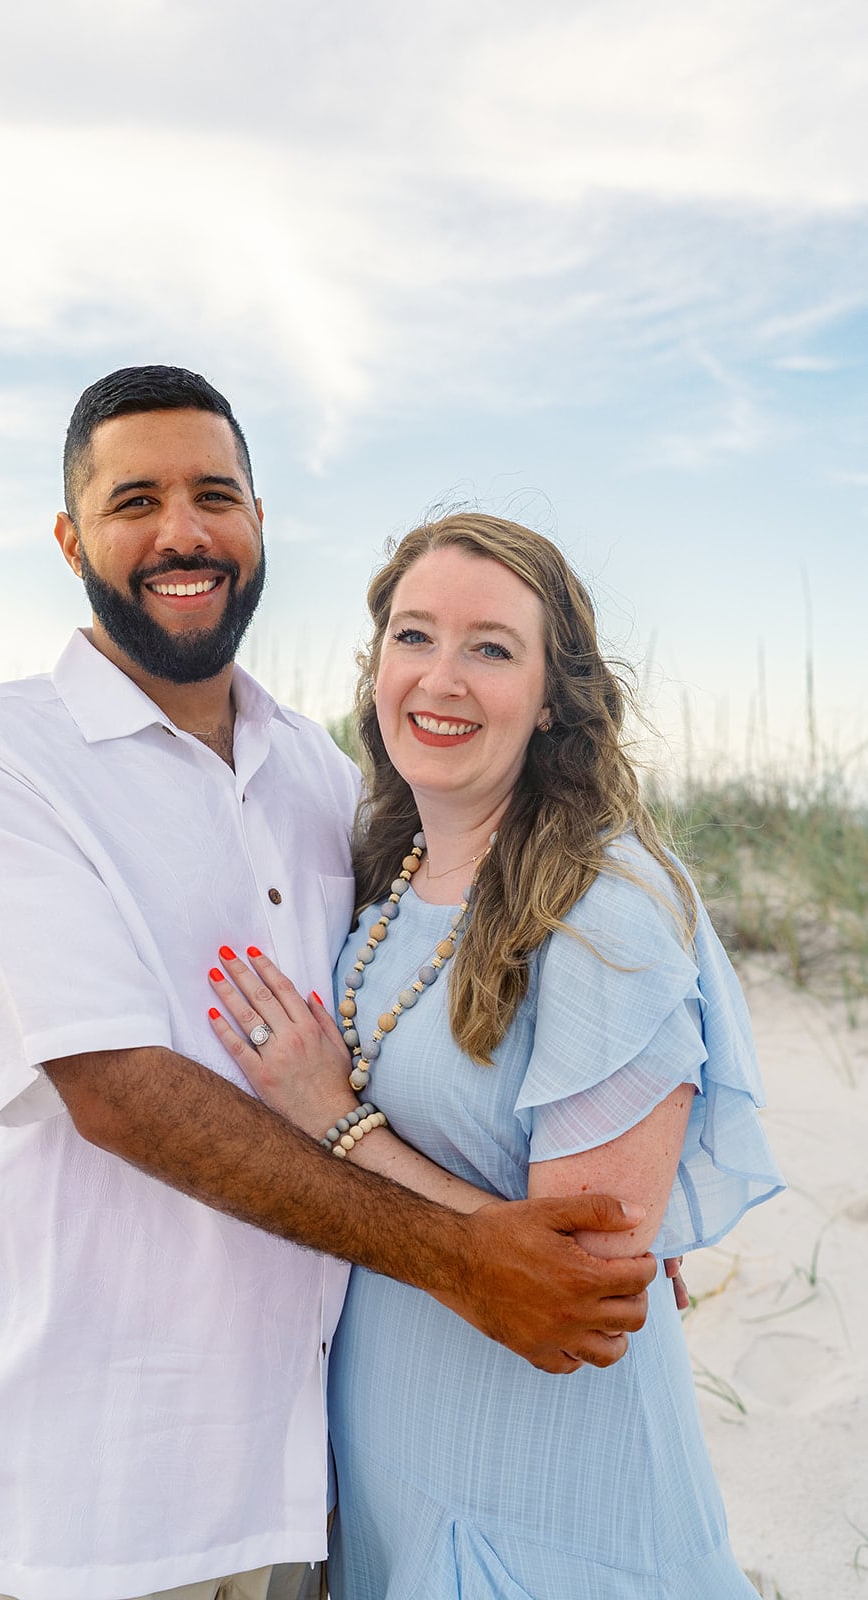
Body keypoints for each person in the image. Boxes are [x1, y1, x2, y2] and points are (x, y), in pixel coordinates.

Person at [0, 369, 664, 1600]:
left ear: (258, 521)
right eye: (133, 498)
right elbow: (121, 1092)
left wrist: (606, 1177)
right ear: (68, 536)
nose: (181, 532)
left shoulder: (316, 767)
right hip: (94, 1487)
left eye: (214, 494)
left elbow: (403, 1027)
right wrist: (465, 1260)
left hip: (304, 1478)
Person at [208, 513, 785, 1598]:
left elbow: (585, 1283)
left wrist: (335, 1120)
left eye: (489, 647)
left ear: (555, 694)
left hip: (544, 1493)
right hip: (397, 1463)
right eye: (413, 635)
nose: (440, 677)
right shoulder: (389, 868)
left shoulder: (601, 911)